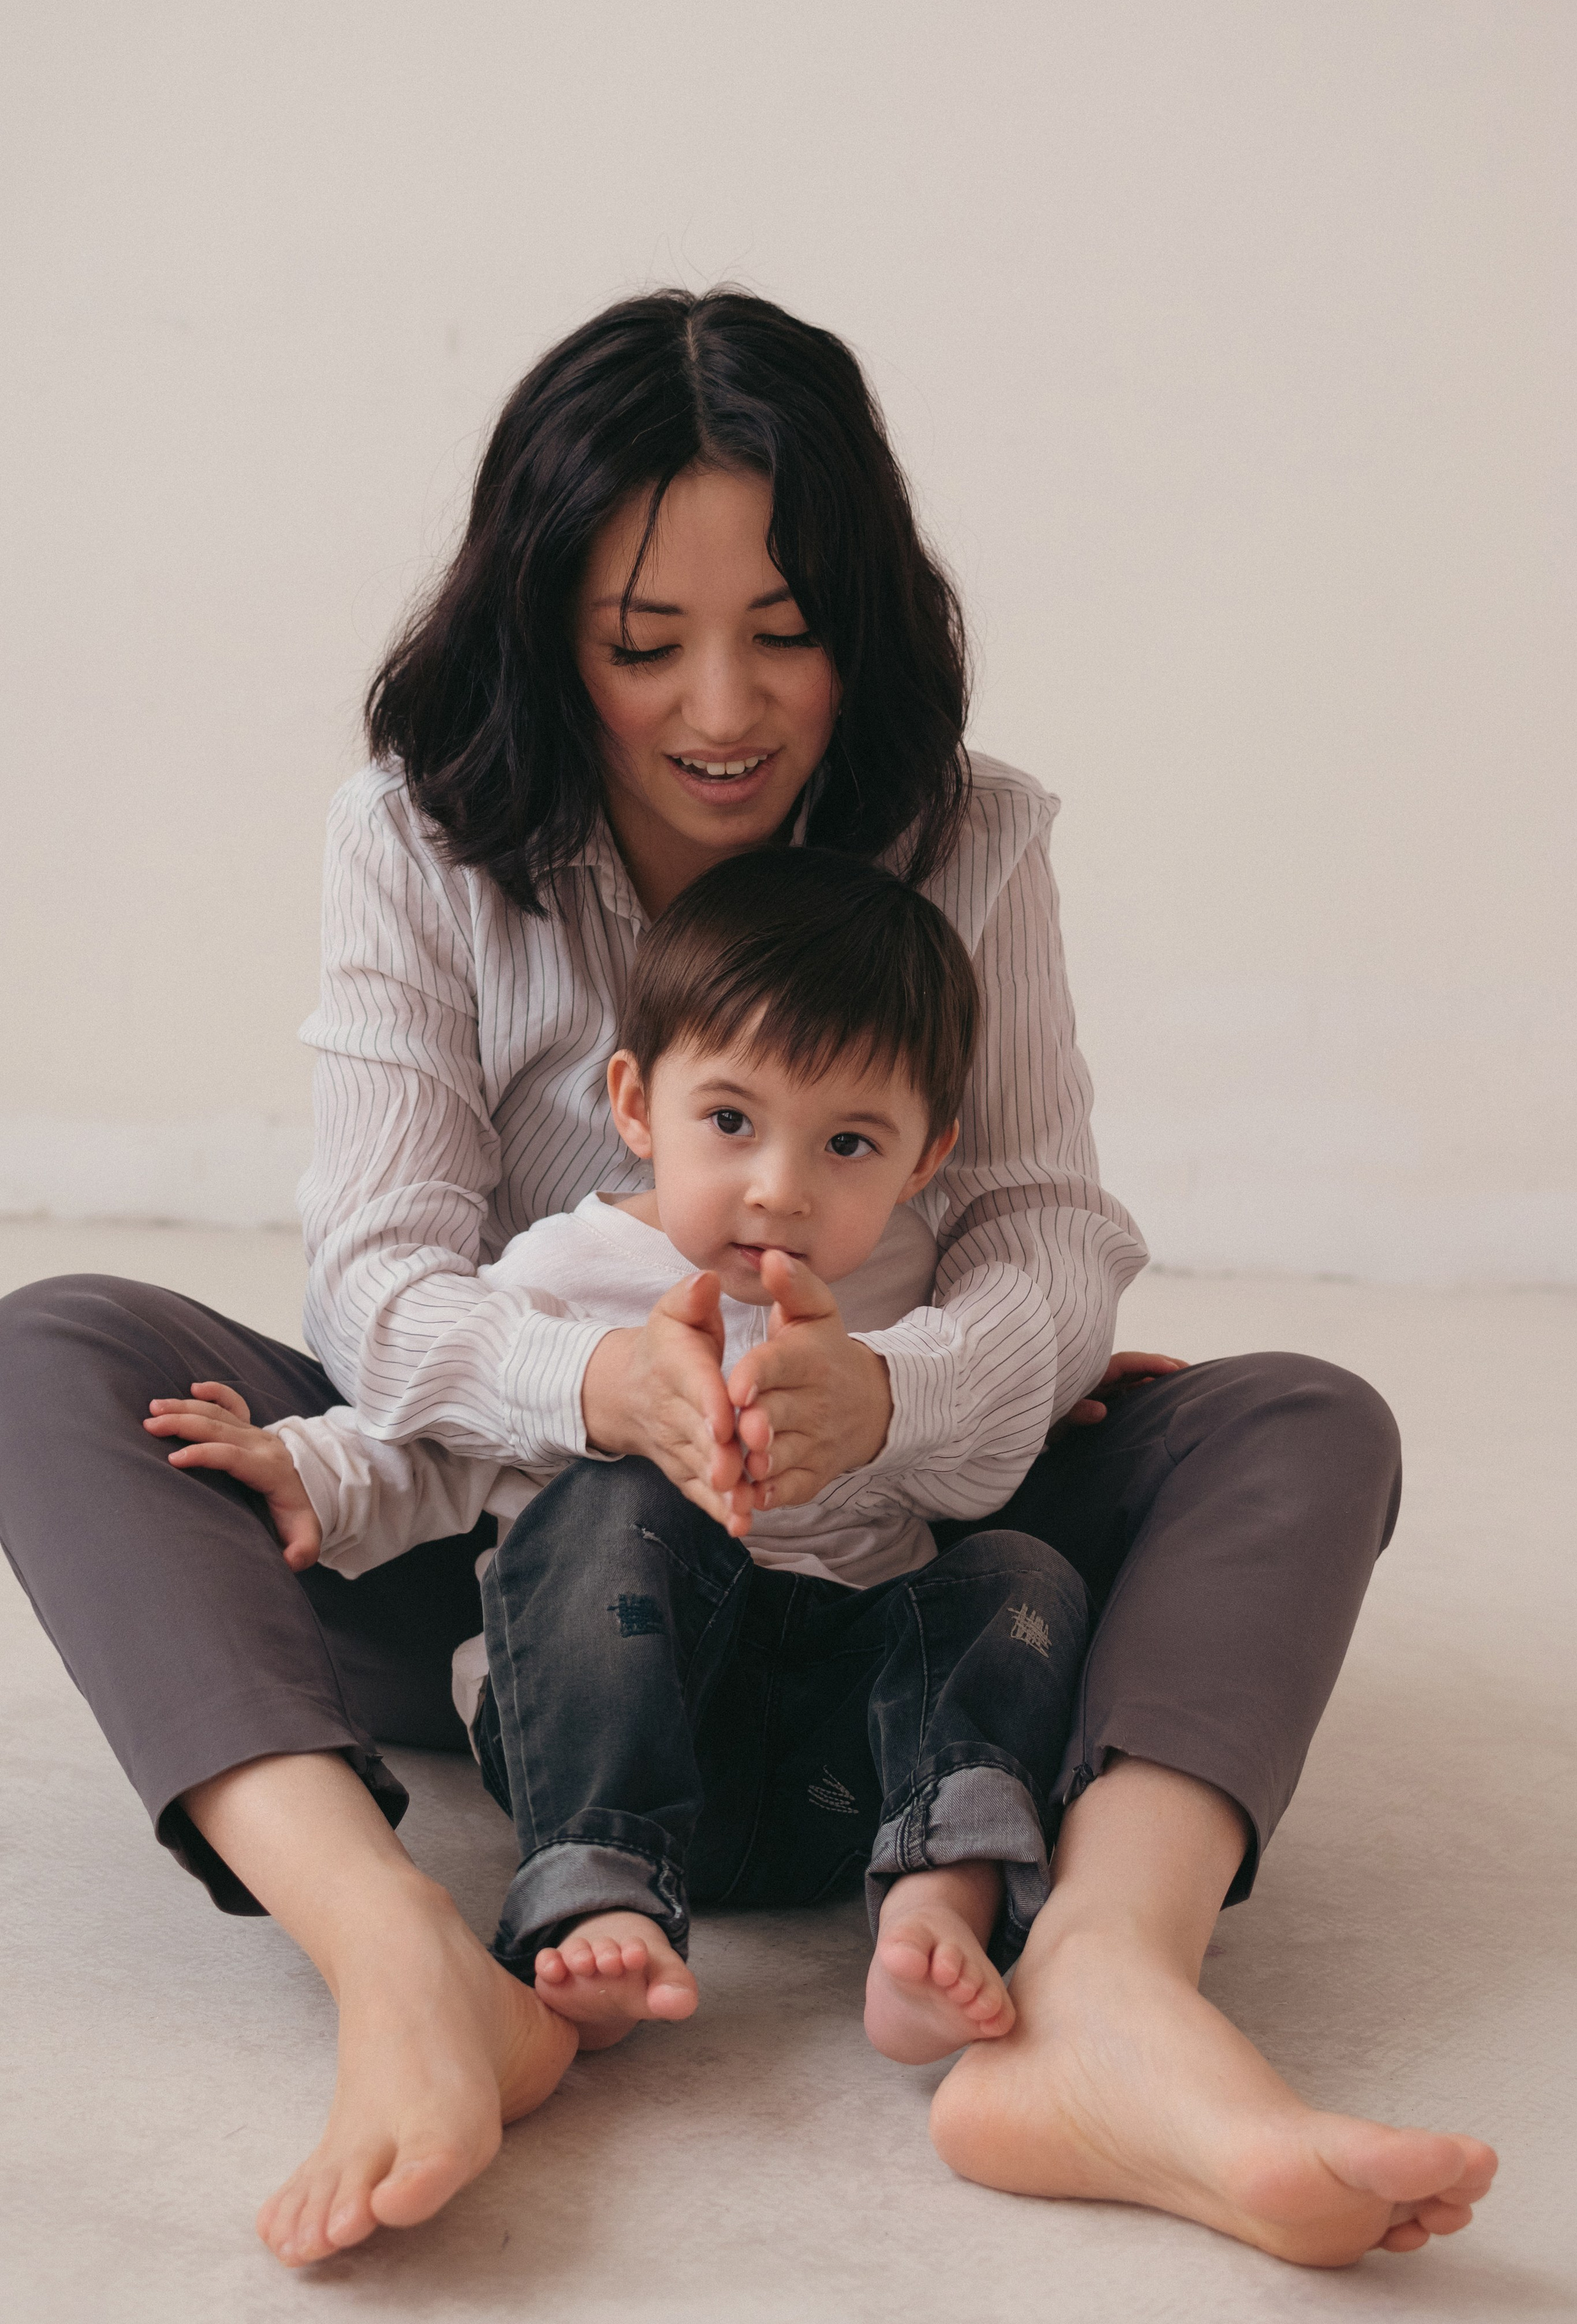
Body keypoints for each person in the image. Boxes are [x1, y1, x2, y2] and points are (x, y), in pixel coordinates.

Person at [0, 287, 1494, 2271]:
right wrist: (595, 1394)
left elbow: (1051, 1225)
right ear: (548, 632)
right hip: (526, 1575)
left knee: (1302, 1420)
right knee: (66, 1358)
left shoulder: (970, 837)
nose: (724, 708)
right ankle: (405, 1965)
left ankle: (1111, 1998)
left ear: (865, 619)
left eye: (784, 631)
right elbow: (376, 1279)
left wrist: (912, 1393)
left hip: (899, 1567)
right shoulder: (423, 841)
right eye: (646, 643)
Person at [146, 849, 1093, 2067]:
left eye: (848, 1144)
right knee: (614, 1499)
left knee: (1022, 1574)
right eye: (731, 1121)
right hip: (619, 1717)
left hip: (838, 1756)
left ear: (924, 1158)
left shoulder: (917, 1292)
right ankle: (598, 1894)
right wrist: (309, 1470)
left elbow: (976, 1440)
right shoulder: (566, 1269)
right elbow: (443, 1436)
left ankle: (935, 1897)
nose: (779, 1190)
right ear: (638, 1106)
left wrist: (1003, 1400)